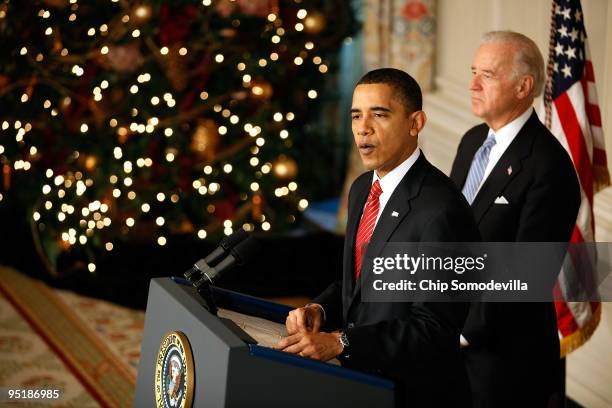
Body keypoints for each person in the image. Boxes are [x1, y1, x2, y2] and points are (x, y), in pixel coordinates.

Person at [275, 68, 480, 407]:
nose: (363, 128)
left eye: (379, 115)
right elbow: (359, 283)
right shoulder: (361, 190)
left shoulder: (442, 210)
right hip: (361, 383)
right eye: (356, 115)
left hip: (414, 394)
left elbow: (433, 328)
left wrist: (341, 342)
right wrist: (320, 309)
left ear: (415, 123)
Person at [449, 31, 581, 407]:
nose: (472, 84)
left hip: (503, 363)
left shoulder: (549, 167)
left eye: (487, 75)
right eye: (474, 71)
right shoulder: (473, 140)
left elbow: (524, 276)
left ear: (524, 86)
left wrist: (457, 333)